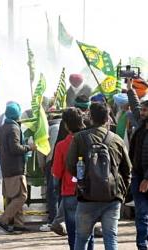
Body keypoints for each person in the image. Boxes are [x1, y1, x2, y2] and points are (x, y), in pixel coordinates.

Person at [66, 102, 132, 250]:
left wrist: (82, 181)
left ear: (90, 117)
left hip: (86, 197)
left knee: (81, 238)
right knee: (111, 238)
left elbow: (70, 165)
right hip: (112, 197)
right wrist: (122, 192)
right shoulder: (117, 140)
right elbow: (127, 170)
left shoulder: (79, 138)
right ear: (107, 118)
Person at [52, 108, 92, 250]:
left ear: (66, 125)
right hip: (89, 192)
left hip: (69, 192)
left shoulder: (62, 145)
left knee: (73, 234)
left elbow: (56, 172)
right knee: (88, 234)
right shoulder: (91, 140)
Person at [0, 102, 36, 232]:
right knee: (22, 196)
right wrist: (30, 147)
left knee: (14, 196)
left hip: (6, 167)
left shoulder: (2, 128)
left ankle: (19, 223)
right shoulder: (13, 128)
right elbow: (15, 148)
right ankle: (3, 220)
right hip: (15, 167)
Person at [127, 77, 148, 250]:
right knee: (141, 213)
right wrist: (129, 89)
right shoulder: (142, 125)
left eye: (145, 110)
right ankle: (142, 245)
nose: (142, 112)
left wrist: (146, 178)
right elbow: (135, 106)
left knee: (143, 213)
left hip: (145, 177)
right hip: (138, 175)